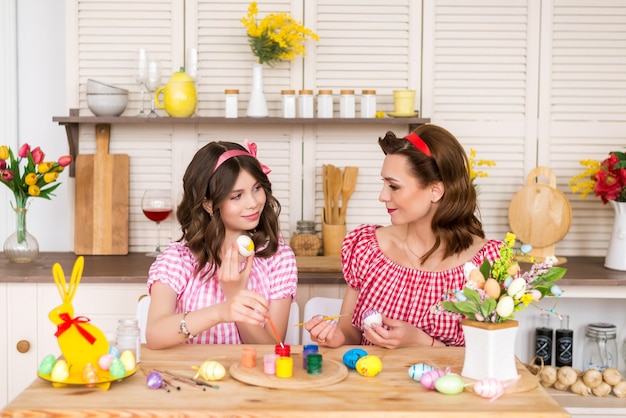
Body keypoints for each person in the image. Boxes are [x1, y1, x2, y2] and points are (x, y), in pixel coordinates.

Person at [305, 124, 502, 348]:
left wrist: (420, 341)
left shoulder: (487, 264)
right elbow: (350, 332)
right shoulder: (367, 247)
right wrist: (334, 337)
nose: (382, 196)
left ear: (435, 191)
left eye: (394, 186)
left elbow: (487, 356)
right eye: (384, 183)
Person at [146, 140, 297, 349]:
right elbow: (155, 335)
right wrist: (222, 311)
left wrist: (236, 296)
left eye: (257, 188)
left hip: (251, 377)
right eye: (237, 196)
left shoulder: (277, 259)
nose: (253, 202)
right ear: (208, 203)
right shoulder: (179, 260)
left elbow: (272, 349)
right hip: (192, 375)